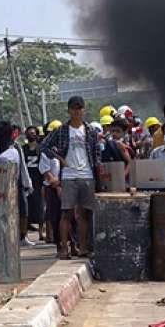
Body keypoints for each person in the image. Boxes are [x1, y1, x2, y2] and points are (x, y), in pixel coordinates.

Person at [41, 97, 101, 260]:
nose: (77, 111)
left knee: (84, 214)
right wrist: (59, 159)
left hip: (87, 174)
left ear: (84, 110)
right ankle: (64, 249)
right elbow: (44, 146)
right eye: (74, 108)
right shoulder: (61, 130)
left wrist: (97, 174)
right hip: (68, 176)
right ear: (69, 110)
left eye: (79, 108)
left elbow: (96, 154)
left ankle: (82, 247)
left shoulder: (90, 131)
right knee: (66, 213)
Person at [0, 121, 35, 247]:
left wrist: (27, 182)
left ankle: (23, 236)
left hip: (17, 183)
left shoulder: (16, 147)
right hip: (2, 185)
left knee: (23, 211)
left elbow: (22, 165)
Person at [38, 120, 64, 249]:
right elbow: (46, 172)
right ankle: (59, 243)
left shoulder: (64, 149)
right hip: (52, 187)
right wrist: (57, 185)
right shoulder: (46, 152)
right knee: (54, 215)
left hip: (66, 185)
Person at [23, 125, 44, 241]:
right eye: (29, 133)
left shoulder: (40, 149)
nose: (31, 135)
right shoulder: (23, 149)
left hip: (38, 180)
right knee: (27, 207)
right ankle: (25, 233)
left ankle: (41, 233)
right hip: (27, 180)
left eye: (33, 133)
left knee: (40, 206)